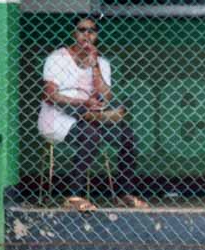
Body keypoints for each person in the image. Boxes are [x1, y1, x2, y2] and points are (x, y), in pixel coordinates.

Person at [38, 16, 146, 212]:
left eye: (91, 31)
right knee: (91, 134)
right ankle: (73, 196)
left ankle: (124, 194)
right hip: (59, 117)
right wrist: (83, 103)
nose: (86, 35)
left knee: (126, 135)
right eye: (82, 30)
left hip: (89, 116)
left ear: (97, 35)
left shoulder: (102, 62)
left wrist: (94, 64)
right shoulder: (57, 58)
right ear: (74, 33)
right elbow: (50, 95)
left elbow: (105, 95)